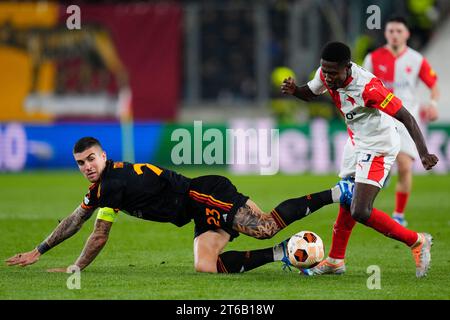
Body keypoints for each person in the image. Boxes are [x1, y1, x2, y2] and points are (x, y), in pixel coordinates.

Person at [5, 137, 353, 274]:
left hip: (203, 194)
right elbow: (74, 220)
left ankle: (337, 192)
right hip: (193, 214)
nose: (87, 167)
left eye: (91, 159)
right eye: (81, 163)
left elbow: (98, 235)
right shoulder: (100, 189)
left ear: (104, 156)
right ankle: (283, 254)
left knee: (262, 226)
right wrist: (40, 249)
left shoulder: (112, 182)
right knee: (206, 266)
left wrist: (75, 268)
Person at [281, 41, 438, 278]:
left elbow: (407, 117)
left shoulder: (369, 88)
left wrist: (423, 152)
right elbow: (309, 93)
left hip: (379, 146)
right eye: (325, 71)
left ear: (347, 67)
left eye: (333, 73)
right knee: (347, 198)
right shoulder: (325, 74)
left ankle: (416, 241)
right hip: (355, 142)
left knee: (361, 211)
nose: (328, 77)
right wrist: (295, 90)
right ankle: (335, 260)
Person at [363, 16, 439, 227]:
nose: (395, 35)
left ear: (407, 34)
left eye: (399, 31)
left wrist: (433, 103)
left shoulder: (416, 59)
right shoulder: (373, 58)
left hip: (407, 118)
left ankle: (398, 214)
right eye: (391, 31)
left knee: (405, 166)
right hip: (380, 118)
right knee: (380, 162)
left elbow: (433, 83)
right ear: (386, 34)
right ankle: (384, 175)